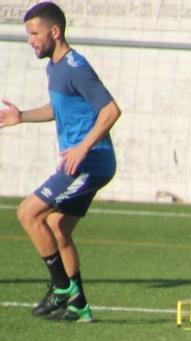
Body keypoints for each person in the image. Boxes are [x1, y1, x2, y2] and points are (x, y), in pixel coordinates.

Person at [0, 2, 120, 323]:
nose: (30, 40)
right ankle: (79, 305)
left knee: (28, 212)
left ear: (55, 31)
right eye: (28, 34)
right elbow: (59, 109)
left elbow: (111, 111)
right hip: (79, 162)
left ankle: (60, 287)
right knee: (57, 226)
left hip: (90, 162)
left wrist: (81, 148)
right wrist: (22, 116)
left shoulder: (75, 67)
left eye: (35, 33)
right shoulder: (54, 67)